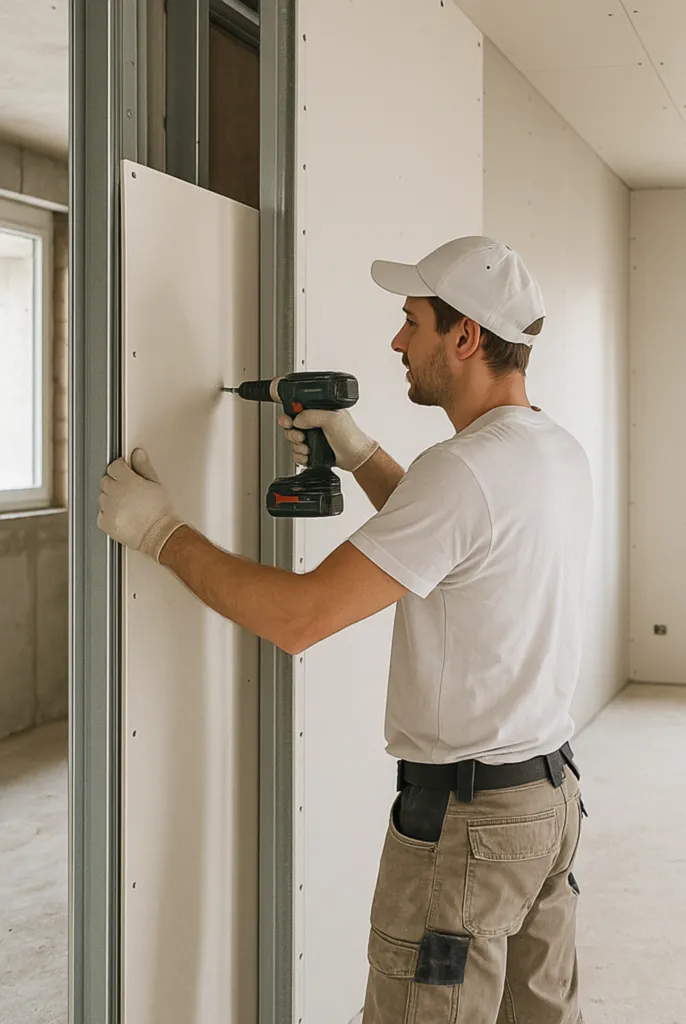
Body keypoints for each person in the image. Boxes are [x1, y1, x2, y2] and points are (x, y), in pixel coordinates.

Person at [97, 236, 593, 1023]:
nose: (397, 342)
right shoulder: (552, 452)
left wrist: (162, 533)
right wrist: (357, 453)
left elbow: (300, 619)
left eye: (412, 322)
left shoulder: (461, 471)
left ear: (464, 337)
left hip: (466, 832)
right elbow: (450, 541)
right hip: (545, 805)